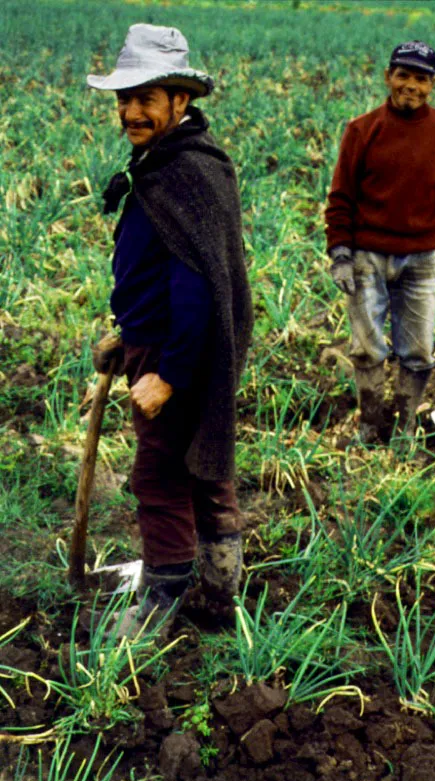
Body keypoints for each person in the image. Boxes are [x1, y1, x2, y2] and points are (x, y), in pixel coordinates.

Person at [87, 23, 253, 634]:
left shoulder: (188, 171)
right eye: (123, 99)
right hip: (160, 342)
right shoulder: (165, 162)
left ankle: (163, 598)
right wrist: (126, 337)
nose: (131, 111)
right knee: (204, 469)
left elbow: (197, 291)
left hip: (180, 351)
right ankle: (217, 598)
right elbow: (164, 274)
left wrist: (167, 373)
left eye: (146, 99)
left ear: (180, 101)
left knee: (159, 474)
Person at [325, 41, 435, 443]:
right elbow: (341, 197)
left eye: (420, 78)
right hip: (366, 257)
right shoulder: (362, 129)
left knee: (419, 352)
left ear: (432, 85)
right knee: (367, 349)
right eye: (403, 75)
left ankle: (404, 429)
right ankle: (370, 426)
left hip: (423, 260)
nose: (411, 85)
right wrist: (340, 252)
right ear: (387, 77)